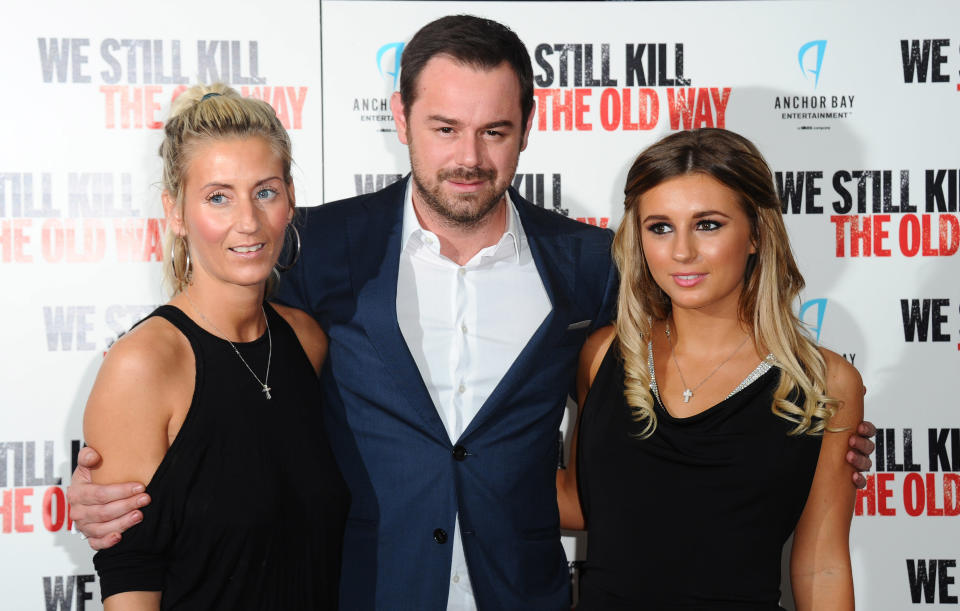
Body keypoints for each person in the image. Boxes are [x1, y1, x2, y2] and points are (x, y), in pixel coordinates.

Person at [68, 16, 875, 611]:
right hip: (358, 595)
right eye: (444, 127)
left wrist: (808, 434)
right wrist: (117, 483)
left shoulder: (595, 264)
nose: (468, 157)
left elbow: (682, 395)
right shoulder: (311, 246)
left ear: (527, 126)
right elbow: (232, 386)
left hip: (527, 594)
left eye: (494, 130)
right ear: (401, 121)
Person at [557, 128, 862, 610]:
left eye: (708, 225)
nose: (682, 252)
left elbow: (821, 564)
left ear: (757, 233)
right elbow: (578, 504)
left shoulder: (823, 382)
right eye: (660, 227)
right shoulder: (604, 354)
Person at [81, 83, 348, 609]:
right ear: (176, 211)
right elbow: (130, 573)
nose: (248, 221)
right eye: (218, 197)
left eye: (265, 191)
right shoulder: (144, 365)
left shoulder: (307, 340)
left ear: (290, 199)